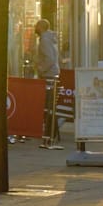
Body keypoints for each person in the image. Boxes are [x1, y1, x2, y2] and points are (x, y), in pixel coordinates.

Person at [35, 19, 62, 148]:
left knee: (48, 106)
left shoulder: (45, 40)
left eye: (37, 25)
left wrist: (41, 69)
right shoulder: (50, 39)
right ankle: (53, 133)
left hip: (48, 75)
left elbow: (50, 59)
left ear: (41, 27)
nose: (35, 27)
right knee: (51, 106)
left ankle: (50, 133)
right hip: (52, 74)